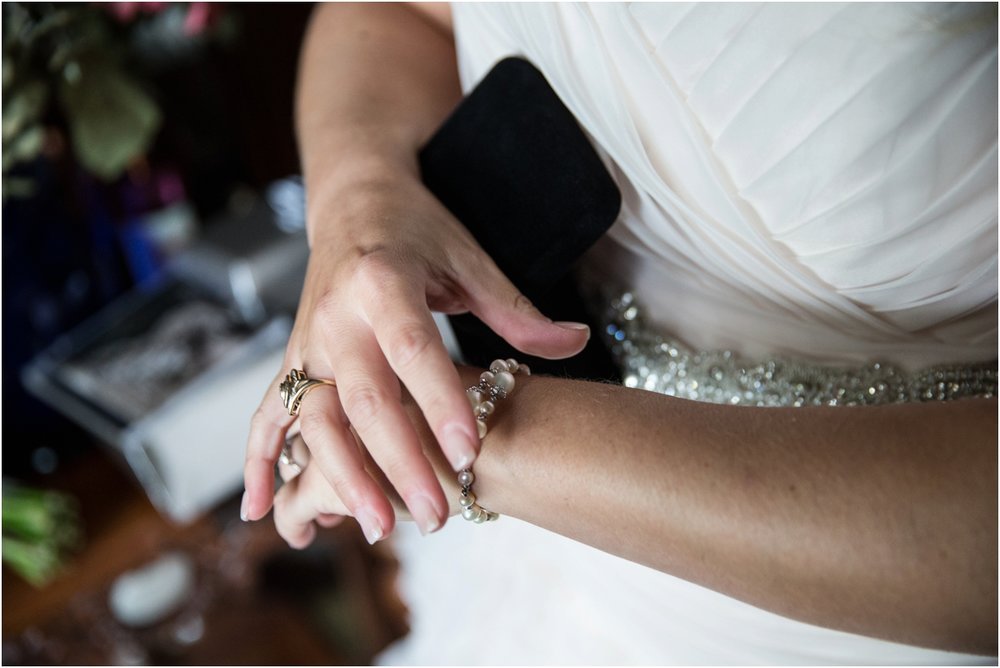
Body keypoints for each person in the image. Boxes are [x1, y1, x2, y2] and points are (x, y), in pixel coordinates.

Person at [242, 3, 998, 663]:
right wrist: (359, 202)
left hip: (850, 609)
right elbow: (406, 10)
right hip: (540, 542)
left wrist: (481, 440)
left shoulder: (497, 447)